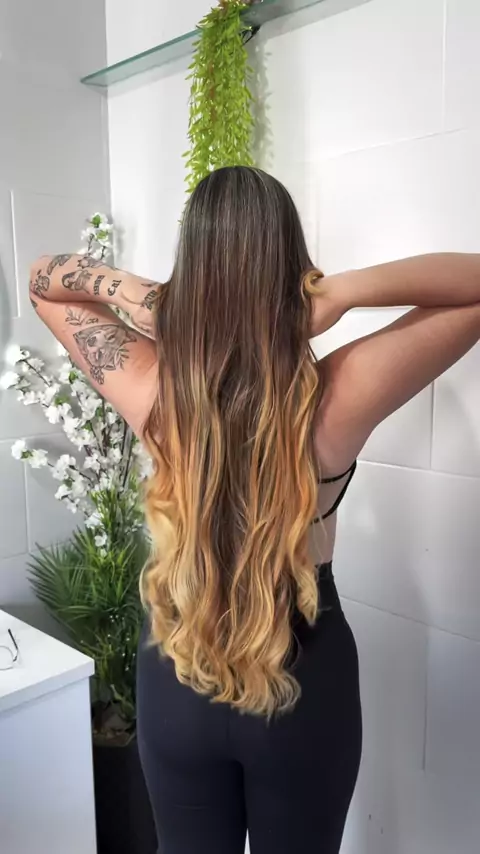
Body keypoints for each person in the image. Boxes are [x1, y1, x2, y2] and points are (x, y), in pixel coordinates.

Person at [30, 166, 480, 854]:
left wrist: (142, 294)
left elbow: (44, 281)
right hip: (304, 679)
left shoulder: (150, 386)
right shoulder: (336, 396)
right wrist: (338, 293)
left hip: (178, 672)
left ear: (190, 267)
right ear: (292, 267)